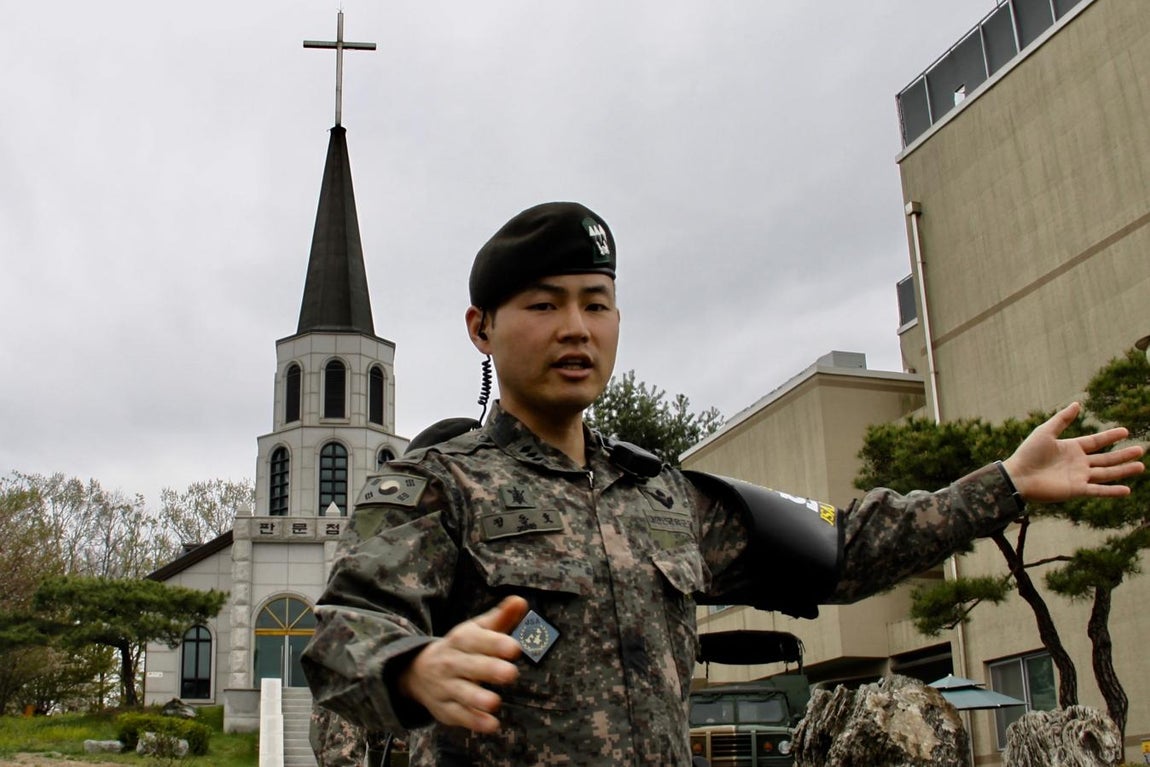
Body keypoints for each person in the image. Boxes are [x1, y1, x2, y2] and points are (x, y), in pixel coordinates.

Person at [301, 201, 1144, 766]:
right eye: (544, 304)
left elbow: (842, 548)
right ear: (481, 328)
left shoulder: (662, 495)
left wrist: (1001, 483)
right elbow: (341, 634)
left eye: (595, 304)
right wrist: (413, 667)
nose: (575, 328)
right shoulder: (436, 487)